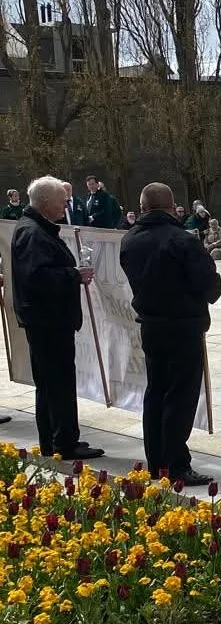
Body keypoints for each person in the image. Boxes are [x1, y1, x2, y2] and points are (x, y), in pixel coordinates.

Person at [120, 182, 221, 487]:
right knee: (180, 395)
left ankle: (157, 461)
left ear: (142, 208)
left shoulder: (130, 239)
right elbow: (210, 287)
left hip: (150, 325)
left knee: (156, 392)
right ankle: (176, 464)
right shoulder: (182, 240)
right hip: (183, 325)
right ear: (171, 206)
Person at [10, 176, 101, 460]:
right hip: (48, 321)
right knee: (56, 382)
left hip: (47, 319)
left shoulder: (35, 228)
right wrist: (74, 275)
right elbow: (37, 278)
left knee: (52, 383)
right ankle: (62, 442)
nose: (66, 206)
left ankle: (56, 439)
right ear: (46, 202)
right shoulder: (33, 233)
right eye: (62, 201)